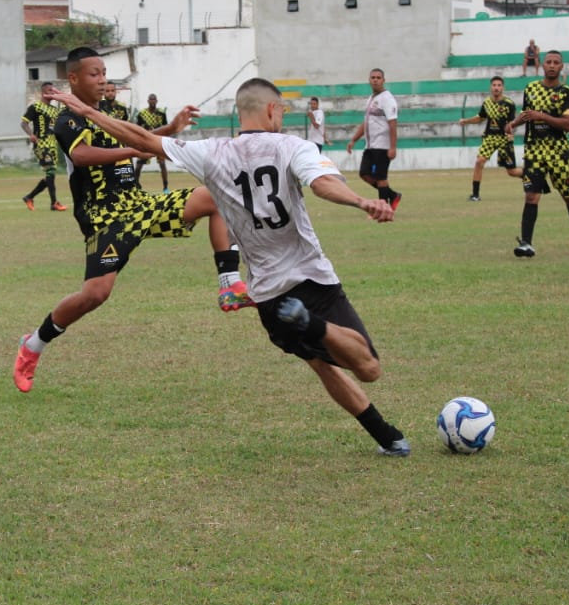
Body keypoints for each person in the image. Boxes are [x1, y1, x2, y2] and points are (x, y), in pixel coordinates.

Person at [51, 77, 409, 457]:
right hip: (309, 278)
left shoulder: (212, 152)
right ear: (272, 110)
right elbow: (322, 184)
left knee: (321, 363)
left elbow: (143, 141)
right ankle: (312, 323)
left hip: (268, 296)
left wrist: (88, 112)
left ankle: (385, 436)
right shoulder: (295, 146)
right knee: (368, 368)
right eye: (282, 111)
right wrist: (359, 201)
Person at [13, 47, 253, 394]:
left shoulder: (108, 113)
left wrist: (172, 127)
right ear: (74, 78)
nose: (102, 79)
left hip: (138, 204)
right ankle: (32, 345)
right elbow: (80, 156)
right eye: (94, 74)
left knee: (216, 197)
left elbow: (142, 138)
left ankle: (229, 284)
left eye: (104, 72)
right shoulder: (67, 119)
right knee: (95, 295)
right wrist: (133, 151)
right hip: (105, 218)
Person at [507, 50, 569, 257]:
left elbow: (568, 124)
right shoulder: (531, 88)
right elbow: (526, 115)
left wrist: (541, 115)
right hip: (533, 150)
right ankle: (526, 244)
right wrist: (514, 123)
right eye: (549, 62)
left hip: (558, 152)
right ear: (543, 65)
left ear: (561, 67)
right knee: (531, 195)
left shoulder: (567, 92)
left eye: (556, 62)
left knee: (568, 196)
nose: (552, 65)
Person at [345, 68, 401, 210]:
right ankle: (392, 194)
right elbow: (366, 122)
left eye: (378, 77)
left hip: (383, 145)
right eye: (373, 77)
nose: (375, 79)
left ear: (383, 80)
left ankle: (383, 208)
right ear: (369, 80)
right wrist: (354, 140)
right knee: (364, 174)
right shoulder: (371, 99)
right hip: (370, 145)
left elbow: (393, 123)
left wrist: (393, 147)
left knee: (381, 178)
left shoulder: (387, 99)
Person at [457, 75, 518, 201]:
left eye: (499, 85)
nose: (496, 88)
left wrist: (511, 133)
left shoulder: (509, 104)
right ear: (491, 87)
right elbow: (480, 118)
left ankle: (534, 179)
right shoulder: (487, 103)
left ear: (503, 87)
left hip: (504, 139)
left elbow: (513, 123)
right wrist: (466, 121)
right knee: (479, 162)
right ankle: (475, 195)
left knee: (512, 172)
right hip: (489, 138)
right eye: (494, 85)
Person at [19, 82, 67, 212]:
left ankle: (29, 197)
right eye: (49, 91)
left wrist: (61, 95)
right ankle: (54, 203)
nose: (52, 93)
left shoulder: (55, 110)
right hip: (41, 144)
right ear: (43, 92)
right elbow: (24, 123)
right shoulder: (36, 107)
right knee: (50, 172)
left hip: (52, 144)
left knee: (50, 176)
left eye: (53, 91)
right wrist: (31, 135)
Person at [133, 93, 170, 192]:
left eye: (154, 100)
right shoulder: (142, 114)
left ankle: (165, 188)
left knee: (162, 164)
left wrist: (165, 141)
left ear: (156, 101)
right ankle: (136, 185)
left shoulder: (161, 113)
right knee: (139, 164)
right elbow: (137, 128)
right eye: (151, 100)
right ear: (148, 101)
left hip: (158, 141)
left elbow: (166, 128)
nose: (152, 101)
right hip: (146, 142)